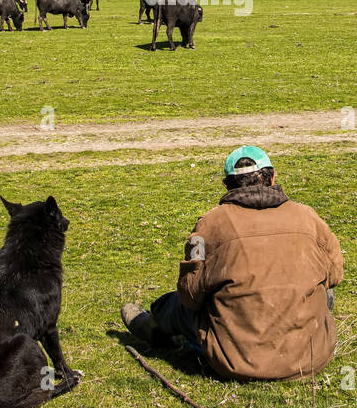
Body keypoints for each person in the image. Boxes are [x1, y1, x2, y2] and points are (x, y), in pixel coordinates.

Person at [121, 145, 344, 381]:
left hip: (234, 361)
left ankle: (154, 329)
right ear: (273, 176)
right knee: (324, 294)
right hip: (310, 358)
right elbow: (334, 276)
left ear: (226, 185)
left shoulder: (209, 224)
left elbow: (190, 296)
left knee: (175, 304)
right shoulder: (308, 216)